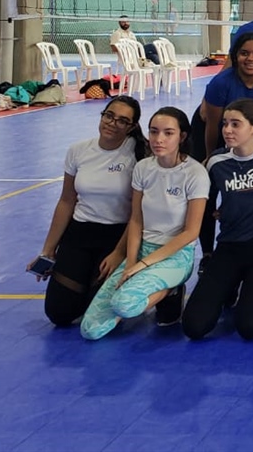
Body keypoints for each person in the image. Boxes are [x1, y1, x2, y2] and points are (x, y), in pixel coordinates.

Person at [79, 108, 209, 338]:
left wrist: (144, 265)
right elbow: (136, 219)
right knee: (91, 330)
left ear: (183, 136)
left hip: (175, 255)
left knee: (125, 305)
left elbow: (190, 232)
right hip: (141, 250)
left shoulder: (195, 174)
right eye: (154, 131)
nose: (159, 139)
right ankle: (145, 286)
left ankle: (171, 289)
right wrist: (130, 263)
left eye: (168, 133)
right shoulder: (143, 168)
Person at [29, 98, 149, 327]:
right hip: (79, 234)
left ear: (132, 127)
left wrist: (119, 252)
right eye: (109, 115)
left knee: (99, 313)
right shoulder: (78, 151)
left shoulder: (138, 156)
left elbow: (137, 213)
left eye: (123, 121)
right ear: (102, 115)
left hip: (115, 237)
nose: (113, 123)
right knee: (59, 313)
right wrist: (48, 250)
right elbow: (66, 201)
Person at [183, 99, 253, 341]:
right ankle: (230, 285)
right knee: (194, 326)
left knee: (250, 327)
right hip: (230, 246)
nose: (227, 130)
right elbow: (205, 207)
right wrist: (208, 252)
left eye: (236, 124)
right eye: (225, 124)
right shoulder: (216, 162)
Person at [200, 31, 253, 161]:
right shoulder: (220, 83)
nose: (250, 59)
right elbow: (213, 126)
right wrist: (210, 157)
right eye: (244, 53)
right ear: (235, 56)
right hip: (226, 138)